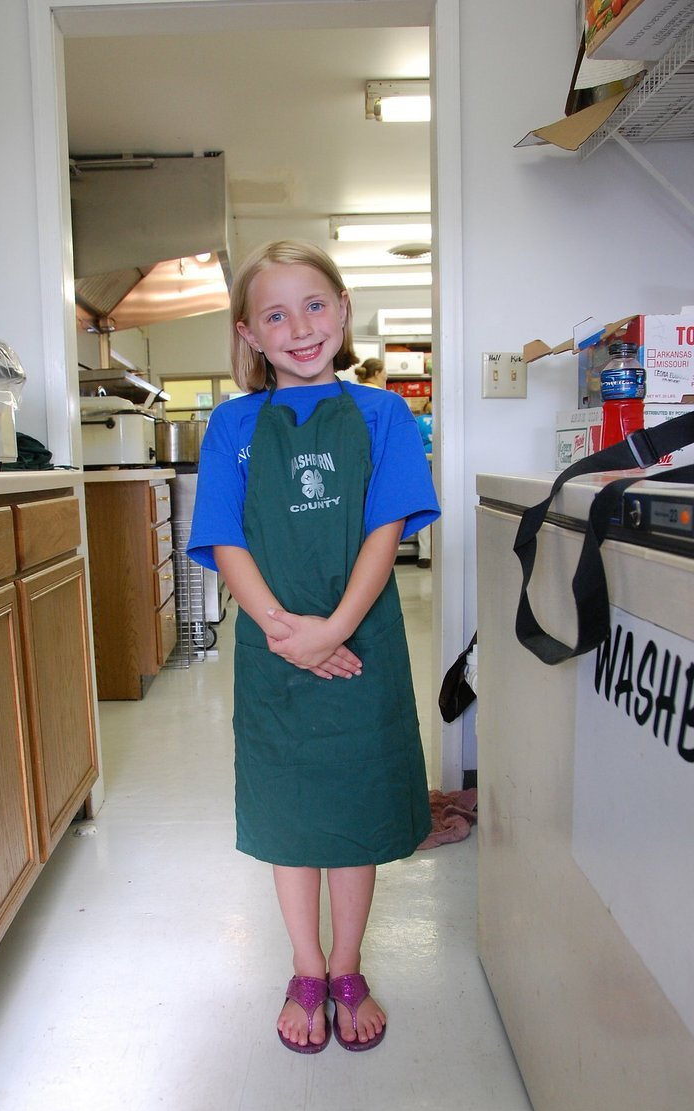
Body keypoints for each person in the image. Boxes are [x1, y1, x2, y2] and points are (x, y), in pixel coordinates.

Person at [187, 239, 440, 1054]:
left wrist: (330, 630)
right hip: (273, 652)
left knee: (356, 806)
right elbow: (224, 538)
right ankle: (305, 969)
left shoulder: (384, 415)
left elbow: (386, 526)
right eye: (275, 314)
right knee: (292, 813)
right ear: (249, 335)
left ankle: (346, 962)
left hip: (361, 644)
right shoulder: (230, 426)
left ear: (343, 311)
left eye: (314, 305)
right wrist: (281, 631)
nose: (299, 327)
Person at [415, 400, 433, 567]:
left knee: (426, 511)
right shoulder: (443, 419)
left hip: (424, 468)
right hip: (444, 471)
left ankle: (424, 554)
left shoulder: (419, 421)